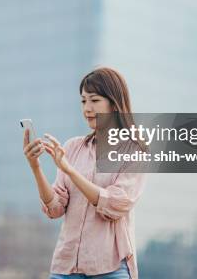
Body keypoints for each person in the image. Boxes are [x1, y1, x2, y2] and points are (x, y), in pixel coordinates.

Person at [23, 67, 145, 279]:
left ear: (114, 104)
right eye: (83, 101)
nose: (87, 108)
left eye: (95, 100)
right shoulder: (72, 148)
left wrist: (69, 171)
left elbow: (115, 205)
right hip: (65, 268)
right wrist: (35, 167)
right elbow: (55, 208)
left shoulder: (134, 151)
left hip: (110, 269)